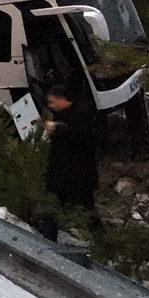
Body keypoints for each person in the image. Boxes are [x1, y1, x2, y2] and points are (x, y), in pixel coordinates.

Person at [40, 86, 99, 241]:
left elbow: (82, 138)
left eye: (52, 101)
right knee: (50, 208)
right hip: (61, 174)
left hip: (78, 175)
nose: (50, 105)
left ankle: (103, 242)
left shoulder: (81, 115)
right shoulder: (59, 115)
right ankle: (48, 241)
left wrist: (58, 129)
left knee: (86, 210)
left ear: (62, 99)